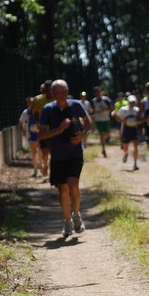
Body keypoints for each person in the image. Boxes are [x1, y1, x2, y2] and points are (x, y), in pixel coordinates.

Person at [38, 79, 92, 238]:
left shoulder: (76, 105)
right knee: (62, 190)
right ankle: (67, 221)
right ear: (52, 94)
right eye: (58, 92)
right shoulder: (48, 110)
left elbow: (88, 123)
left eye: (64, 91)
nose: (62, 94)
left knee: (73, 183)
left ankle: (76, 215)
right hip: (58, 156)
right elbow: (41, 134)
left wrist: (83, 135)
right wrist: (59, 130)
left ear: (67, 92)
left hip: (75, 153)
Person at [32, 79, 53, 178]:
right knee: (44, 152)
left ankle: (54, 170)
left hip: (55, 130)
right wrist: (37, 123)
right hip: (42, 131)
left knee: (54, 151)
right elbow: (35, 113)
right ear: (44, 89)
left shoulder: (58, 99)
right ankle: (46, 165)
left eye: (51, 89)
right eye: (47, 89)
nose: (49, 91)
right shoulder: (38, 100)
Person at [115, 94, 140, 169]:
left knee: (135, 146)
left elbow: (140, 118)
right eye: (131, 102)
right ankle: (126, 153)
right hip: (126, 129)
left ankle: (135, 164)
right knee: (125, 146)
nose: (132, 103)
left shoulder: (137, 110)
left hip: (134, 129)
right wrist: (122, 121)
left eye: (133, 102)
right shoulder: (123, 109)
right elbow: (116, 116)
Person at [19, 96, 41, 177]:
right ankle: (35, 170)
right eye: (30, 102)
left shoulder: (39, 111)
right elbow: (20, 122)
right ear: (27, 103)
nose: (31, 104)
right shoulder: (25, 112)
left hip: (40, 134)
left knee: (41, 151)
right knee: (34, 151)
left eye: (33, 102)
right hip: (31, 134)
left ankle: (42, 167)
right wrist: (24, 131)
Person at [91, 86, 112, 157]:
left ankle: (106, 139)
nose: (97, 93)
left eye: (98, 92)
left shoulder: (106, 100)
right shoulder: (93, 101)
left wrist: (104, 108)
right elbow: (92, 110)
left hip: (106, 119)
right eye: (96, 92)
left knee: (106, 134)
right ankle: (103, 149)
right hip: (98, 119)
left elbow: (111, 108)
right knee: (101, 135)